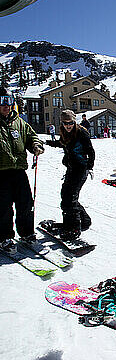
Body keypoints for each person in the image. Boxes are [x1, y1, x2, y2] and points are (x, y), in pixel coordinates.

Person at [0, 87, 44, 253]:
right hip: (1, 172)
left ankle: (26, 233)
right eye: (2, 102)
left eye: (9, 102)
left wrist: (36, 146)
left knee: (25, 203)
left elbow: (31, 136)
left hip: (18, 171)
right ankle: (4, 237)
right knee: (3, 207)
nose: (6, 106)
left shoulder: (19, 122)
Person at [46, 110, 95, 240]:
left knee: (70, 198)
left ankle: (73, 228)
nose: (68, 126)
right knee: (67, 196)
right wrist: (46, 143)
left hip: (80, 168)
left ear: (74, 122)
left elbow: (91, 151)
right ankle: (84, 221)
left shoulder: (81, 133)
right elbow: (61, 143)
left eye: (71, 123)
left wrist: (89, 167)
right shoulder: (64, 132)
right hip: (71, 168)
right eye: (65, 123)